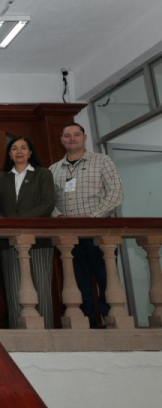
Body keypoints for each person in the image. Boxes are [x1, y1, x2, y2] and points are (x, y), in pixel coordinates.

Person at [50, 122, 123, 328]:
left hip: (100, 234)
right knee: (79, 284)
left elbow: (115, 194)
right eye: (67, 136)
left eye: (76, 134)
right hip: (69, 237)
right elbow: (48, 201)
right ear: (62, 140)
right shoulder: (53, 169)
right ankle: (88, 326)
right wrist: (58, 216)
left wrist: (92, 218)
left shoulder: (102, 161)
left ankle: (113, 324)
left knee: (107, 280)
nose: (72, 139)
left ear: (84, 137)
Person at [0, 137, 56, 328]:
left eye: (23, 148)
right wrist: (10, 226)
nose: (19, 151)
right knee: (14, 289)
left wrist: (21, 221)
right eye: (14, 148)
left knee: (41, 288)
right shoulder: (2, 180)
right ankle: (18, 331)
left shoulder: (43, 174)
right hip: (9, 242)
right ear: (9, 154)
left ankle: (46, 331)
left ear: (30, 153)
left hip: (39, 240)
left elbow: (48, 204)